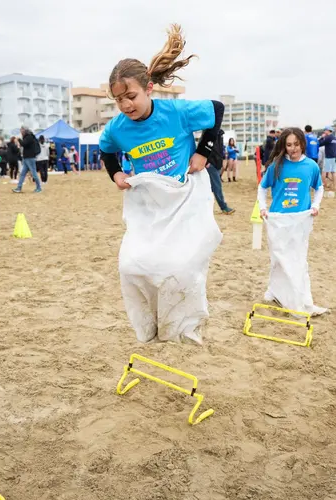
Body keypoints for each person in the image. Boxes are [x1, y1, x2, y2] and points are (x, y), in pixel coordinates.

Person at [98, 24, 225, 344]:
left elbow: (217, 110)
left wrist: (203, 151)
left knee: (181, 266)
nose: (127, 105)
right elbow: (106, 150)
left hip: (184, 196)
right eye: (119, 100)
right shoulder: (117, 128)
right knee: (131, 266)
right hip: (150, 203)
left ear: (149, 88)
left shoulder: (176, 112)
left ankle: (184, 325)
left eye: (131, 96)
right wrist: (115, 174)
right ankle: (150, 326)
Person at [258, 127, 326, 314]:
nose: (293, 148)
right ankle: (274, 291)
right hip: (278, 219)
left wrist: (316, 205)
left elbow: (319, 188)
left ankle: (299, 295)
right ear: (284, 146)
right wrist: (263, 207)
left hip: (300, 220)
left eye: (296, 144)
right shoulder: (277, 166)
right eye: (289, 145)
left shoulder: (311, 166)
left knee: (297, 258)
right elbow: (262, 187)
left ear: (302, 144)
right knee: (278, 257)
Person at [207, 130, 235, 214]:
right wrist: (207, 162)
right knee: (217, 187)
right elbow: (206, 147)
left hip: (216, 163)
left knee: (211, 187)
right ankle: (224, 207)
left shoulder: (219, 134)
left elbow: (219, 150)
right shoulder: (210, 132)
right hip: (212, 164)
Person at [13, 126, 43, 193]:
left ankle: (39, 187)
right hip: (27, 157)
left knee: (34, 173)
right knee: (22, 174)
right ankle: (19, 187)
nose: (20, 131)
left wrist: (19, 139)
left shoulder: (29, 137)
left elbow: (24, 144)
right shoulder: (28, 137)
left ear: (25, 130)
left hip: (30, 157)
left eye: (21, 130)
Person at [319, 125, 336, 193]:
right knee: (333, 172)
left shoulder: (328, 137)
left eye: (325, 130)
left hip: (329, 156)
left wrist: (322, 137)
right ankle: (334, 186)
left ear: (327, 131)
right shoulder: (334, 138)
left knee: (324, 171)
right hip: (335, 156)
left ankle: (324, 185)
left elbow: (320, 144)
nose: (324, 131)